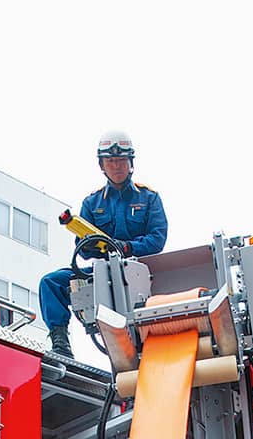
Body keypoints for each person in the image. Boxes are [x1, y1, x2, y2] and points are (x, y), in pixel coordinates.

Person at [39, 131, 168, 359]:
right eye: (110, 161)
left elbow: (157, 239)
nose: (116, 166)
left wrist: (127, 247)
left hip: (140, 273)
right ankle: (60, 343)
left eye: (120, 161)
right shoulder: (92, 202)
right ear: (102, 165)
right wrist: (89, 243)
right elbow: (82, 248)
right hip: (102, 273)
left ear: (130, 164)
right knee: (51, 282)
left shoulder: (149, 198)